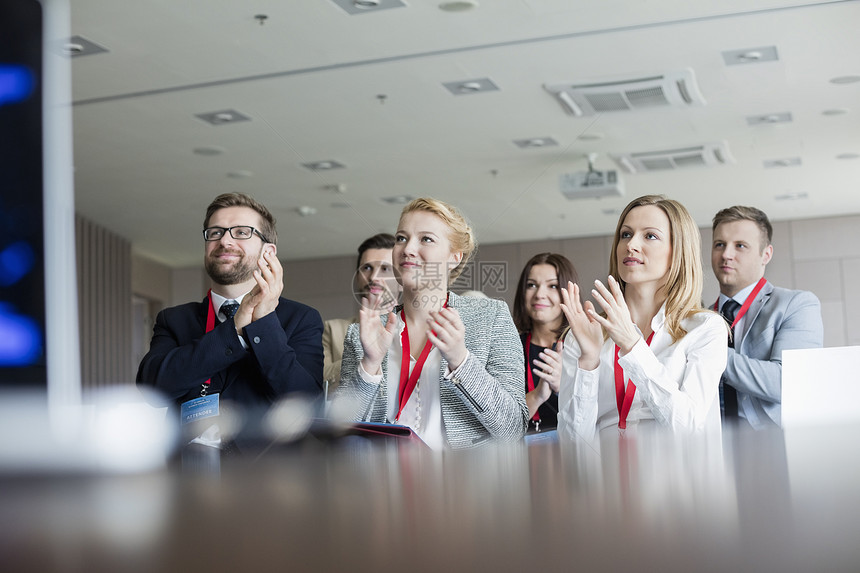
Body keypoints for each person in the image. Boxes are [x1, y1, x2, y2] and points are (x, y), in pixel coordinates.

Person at [334, 197, 527, 449]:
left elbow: (513, 428)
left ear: (454, 257)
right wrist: (369, 366)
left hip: (465, 483)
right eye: (401, 238)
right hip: (385, 483)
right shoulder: (363, 334)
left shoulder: (491, 318)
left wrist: (461, 361)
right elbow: (338, 432)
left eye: (426, 239)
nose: (407, 249)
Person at [137, 192, 324, 424]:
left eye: (242, 232)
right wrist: (234, 329)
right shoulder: (174, 319)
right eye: (215, 233)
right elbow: (152, 391)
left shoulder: (301, 318)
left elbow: (309, 405)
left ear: (269, 252)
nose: (225, 241)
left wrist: (263, 322)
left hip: (268, 459)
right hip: (189, 458)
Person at [558, 195, 727, 442]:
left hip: (680, 479)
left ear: (677, 252)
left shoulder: (705, 329)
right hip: (605, 480)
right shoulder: (587, 333)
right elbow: (572, 447)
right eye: (626, 234)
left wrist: (632, 346)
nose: (631, 244)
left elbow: (689, 428)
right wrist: (589, 362)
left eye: (650, 236)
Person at [711, 205, 823, 428]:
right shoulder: (702, 317)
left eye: (740, 246)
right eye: (719, 245)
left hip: (775, 448)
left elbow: (789, 384)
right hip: (711, 449)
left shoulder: (797, 305)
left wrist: (708, 350)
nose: (726, 254)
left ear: (766, 254)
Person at [322, 233, 398, 393]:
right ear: (357, 277)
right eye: (367, 268)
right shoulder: (332, 329)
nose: (374, 277)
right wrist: (365, 357)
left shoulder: (419, 329)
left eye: (385, 268)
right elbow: (321, 383)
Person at [513, 253, 578, 433]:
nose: (540, 294)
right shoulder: (509, 347)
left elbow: (601, 417)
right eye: (531, 285)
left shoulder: (582, 347)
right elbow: (500, 421)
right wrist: (536, 396)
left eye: (553, 286)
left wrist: (562, 388)